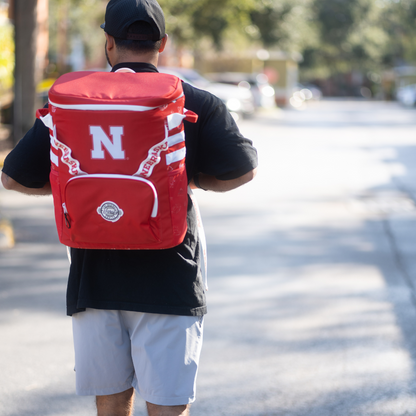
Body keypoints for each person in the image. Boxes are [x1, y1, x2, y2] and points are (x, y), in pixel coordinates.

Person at [1, 0, 258, 415]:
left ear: (108, 44)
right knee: (168, 404)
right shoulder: (194, 101)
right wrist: (188, 181)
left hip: (94, 277)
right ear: (163, 44)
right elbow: (242, 171)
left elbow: (13, 177)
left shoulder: (71, 103)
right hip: (171, 272)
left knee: (111, 402)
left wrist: (81, 192)